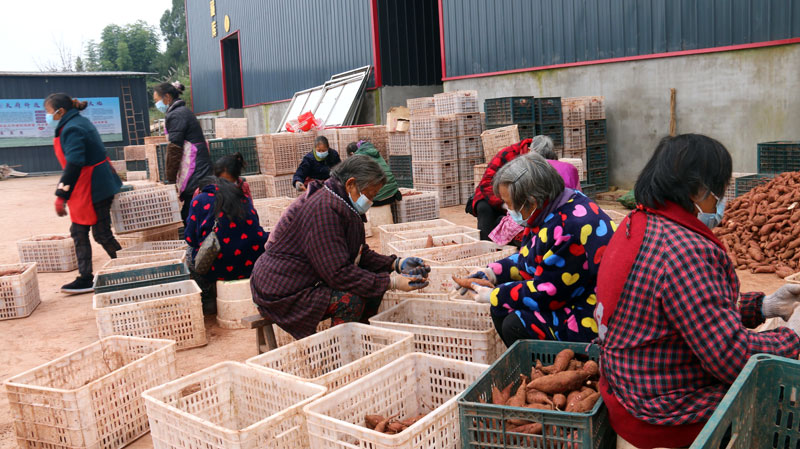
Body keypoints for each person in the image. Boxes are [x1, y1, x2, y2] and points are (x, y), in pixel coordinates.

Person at [594, 134, 800, 449]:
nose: (722, 200)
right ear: (699, 189)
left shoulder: (636, 224)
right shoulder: (684, 249)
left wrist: (767, 306)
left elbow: (687, 311)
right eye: (721, 189)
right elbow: (730, 358)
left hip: (630, 391)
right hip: (667, 411)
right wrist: (793, 337)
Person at [251, 155, 431, 339]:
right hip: (282, 288)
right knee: (351, 300)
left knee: (371, 287)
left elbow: (358, 253)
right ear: (351, 184)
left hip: (303, 278)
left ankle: (360, 341)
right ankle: (339, 352)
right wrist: (392, 282)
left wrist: (396, 264)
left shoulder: (340, 202)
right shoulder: (324, 209)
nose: (371, 201)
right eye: (370, 195)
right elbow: (338, 273)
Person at [458, 153, 614, 347]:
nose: (507, 209)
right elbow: (528, 261)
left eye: (510, 203)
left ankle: (556, 366)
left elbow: (548, 293)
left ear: (531, 201)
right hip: (570, 295)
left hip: (592, 315)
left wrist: (495, 295)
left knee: (514, 323)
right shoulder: (546, 212)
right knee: (502, 307)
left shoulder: (571, 228)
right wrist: (492, 273)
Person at [46, 93, 123, 294]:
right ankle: (85, 277)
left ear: (60, 111)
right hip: (91, 184)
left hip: (94, 187)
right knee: (78, 232)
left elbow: (75, 162)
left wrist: (61, 193)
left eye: (48, 112)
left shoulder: (72, 128)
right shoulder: (77, 122)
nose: (47, 117)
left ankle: (130, 269)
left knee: (102, 234)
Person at [184, 176, 269, 314]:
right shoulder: (243, 197)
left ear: (202, 188)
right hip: (253, 264)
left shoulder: (199, 200)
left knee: (189, 253)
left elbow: (190, 238)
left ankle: (207, 296)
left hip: (218, 268)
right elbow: (255, 225)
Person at [153, 81, 212, 221]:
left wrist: (170, 178)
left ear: (167, 97)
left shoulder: (177, 114)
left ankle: (193, 238)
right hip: (197, 162)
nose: (157, 104)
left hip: (195, 164)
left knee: (192, 205)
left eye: (157, 100)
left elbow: (175, 148)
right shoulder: (180, 111)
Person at [345, 141, 401, 206]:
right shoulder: (375, 154)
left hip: (378, 198)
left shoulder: (358, 158)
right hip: (393, 193)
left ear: (352, 154)